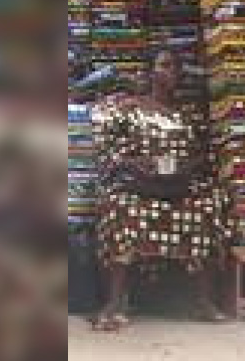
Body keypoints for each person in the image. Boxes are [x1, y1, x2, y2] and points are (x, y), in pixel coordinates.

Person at [91, 50, 229, 331]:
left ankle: (204, 301)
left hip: (177, 187)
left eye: (177, 66)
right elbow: (107, 151)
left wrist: (187, 166)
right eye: (165, 65)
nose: (173, 72)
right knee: (121, 207)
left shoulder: (188, 115)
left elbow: (205, 154)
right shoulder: (129, 108)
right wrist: (136, 163)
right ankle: (115, 302)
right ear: (150, 72)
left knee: (209, 205)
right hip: (139, 186)